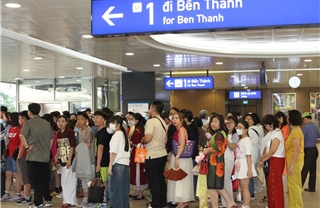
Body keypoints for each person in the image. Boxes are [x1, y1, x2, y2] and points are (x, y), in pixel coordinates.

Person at [19, 103, 54, 208]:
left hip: (33, 156)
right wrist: (47, 149)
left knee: (35, 180)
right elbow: (51, 138)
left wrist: (26, 147)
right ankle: (48, 200)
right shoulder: (46, 123)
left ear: (29, 112)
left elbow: (21, 135)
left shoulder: (28, 123)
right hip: (45, 156)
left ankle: (38, 203)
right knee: (44, 180)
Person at [203, 113, 235, 208]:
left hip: (217, 164)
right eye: (212, 121)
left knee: (217, 186)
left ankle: (230, 203)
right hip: (213, 163)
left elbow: (220, 148)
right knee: (212, 187)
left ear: (221, 123)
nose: (213, 123)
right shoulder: (216, 134)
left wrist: (208, 150)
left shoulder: (220, 134)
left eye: (216, 122)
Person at [142, 100, 167, 208]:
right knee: (161, 180)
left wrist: (142, 140)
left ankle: (155, 203)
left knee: (153, 181)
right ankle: (162, 202)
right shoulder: (162, 121)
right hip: (162, 154)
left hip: (152, 155)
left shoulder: (151, 122)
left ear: (152, 108)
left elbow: (148, 138)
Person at [167, 112, 194, 208]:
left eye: (177, 118)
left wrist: (177, 157)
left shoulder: (182, 130)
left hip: (181, 157)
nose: (174, 120)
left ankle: (181, 201)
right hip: (179, 156)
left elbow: (182, 144)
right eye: (173, 118)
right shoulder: (178, 130)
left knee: (180, 179)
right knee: (178, 179)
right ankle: (180, 201)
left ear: (181, 120)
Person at [260, 114, 285, 208]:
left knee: (275, 185)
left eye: (267, 125)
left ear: (272, 124)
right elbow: (267, 148)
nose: (266, 127)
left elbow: (272, 150)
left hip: (276, 160)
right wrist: (263, 158)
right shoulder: (272, 133)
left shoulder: (277, 134)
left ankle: (277, 205)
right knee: (271, 185)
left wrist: (263, 159)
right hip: (272, 160)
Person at [108, 115, 131, 208]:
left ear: (118, 124)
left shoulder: (116, 136)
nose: (111, 125)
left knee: (116, 190)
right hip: (125, 164)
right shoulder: (124, 134)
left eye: (113, 123)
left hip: (117, 165)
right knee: (124, 190)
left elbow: (113, 153)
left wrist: (110, 166)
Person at [55, 115, 77, 208]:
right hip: (62, 160)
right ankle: (68, 200)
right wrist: (56, 158)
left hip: (69, 160)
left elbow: (72, 146)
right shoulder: (58, 133)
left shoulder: (70, 132)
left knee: (70, 180)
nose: (61, 123)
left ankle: (68, 201)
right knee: (64, 181)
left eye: (63, 121)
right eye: (59, 121)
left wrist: (69, 159)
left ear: (67, 122)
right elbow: (59, 148)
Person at [234, 121, 257, 208]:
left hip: (245, 165)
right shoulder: (241, 140)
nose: (238, 129)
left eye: (240, 127)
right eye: (237, 127)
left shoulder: (247, 140)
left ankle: (246, 205)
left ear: (246, 129)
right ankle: (245, 204)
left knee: (244, 187)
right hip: (240, 164)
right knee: (242, 187)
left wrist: (249, 170)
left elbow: (248, 156)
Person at [74, 112, 95, 207]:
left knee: (89, 180)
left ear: (86, 120)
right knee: (83, 180)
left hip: (88, 158)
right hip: (81, 158)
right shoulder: (80, 130)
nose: (79, 121)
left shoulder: (89, 130)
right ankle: (85, 199)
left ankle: (89, 199)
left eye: (82, 119)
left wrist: (78, 148)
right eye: (78, 119)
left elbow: (88, 144)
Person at [1, 113, 23, 202]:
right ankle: (7, 193)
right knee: (8, 174)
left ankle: (18, 194)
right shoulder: (10, 128)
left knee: (17, 175)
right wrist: (4, 151)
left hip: (16, 155)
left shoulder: (21, 129)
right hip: (9, 154)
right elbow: (8, 141)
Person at [286, 110, 304, 208]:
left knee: (295, 187)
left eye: (288, 117)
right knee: (292, 187)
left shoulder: (296, 132)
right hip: (293, 161)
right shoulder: (295, 131)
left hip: (295, 162)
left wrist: (291, 166)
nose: (287, 119)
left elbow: (296, 149)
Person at [221, 116, 239, 208]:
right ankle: (225, 202)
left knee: (226, 180)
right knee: (222, 181)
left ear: (235, 124)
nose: (229, 125)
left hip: (229, 159)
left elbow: (232, 147)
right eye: (227, 123)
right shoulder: (223, 133)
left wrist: (225, 138)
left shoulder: (235, 135)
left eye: (231, 122)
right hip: (221, 158)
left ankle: (230, 202)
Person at [94, 110, 112, 203]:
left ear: (103, 120)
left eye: (98, 118)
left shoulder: (103, 132)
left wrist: (98, 164)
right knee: (104, 180)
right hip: (103, 160)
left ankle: (104, 199)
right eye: (94, 117)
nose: (95, 119)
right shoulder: (101, 131)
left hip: (103, 161)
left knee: (104, 181)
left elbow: (100, 147)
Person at [129, 113, 148, 200]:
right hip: (139, 152)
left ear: (137, 120)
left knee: (138, 172)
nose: (130, 120)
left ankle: (140, 193)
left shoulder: (137, 130)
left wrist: (130, 142)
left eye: (132, 119)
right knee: (137, 171)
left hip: (138, 152)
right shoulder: (139, 129)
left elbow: (136, 142)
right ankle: (137, 191)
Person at [15, 111, 32, 205]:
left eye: (20, 118)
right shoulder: (28, 128)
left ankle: (27, 197)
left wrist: (19, 156)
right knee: (25, 177)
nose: (19, 120)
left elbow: (22, 145)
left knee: (24, 177)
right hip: (28, 155)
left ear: (25, 119)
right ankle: (26, 195)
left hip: (24, 155)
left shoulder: (25, 129)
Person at [301, 112, 319, 192]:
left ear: (305, 119)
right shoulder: (315, 128)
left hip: (308, 151)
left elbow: (301, 140)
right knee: (312, 170)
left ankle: (298, 188)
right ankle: (312, 187)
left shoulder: (304, 128)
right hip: (314, 150)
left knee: (304, 169)